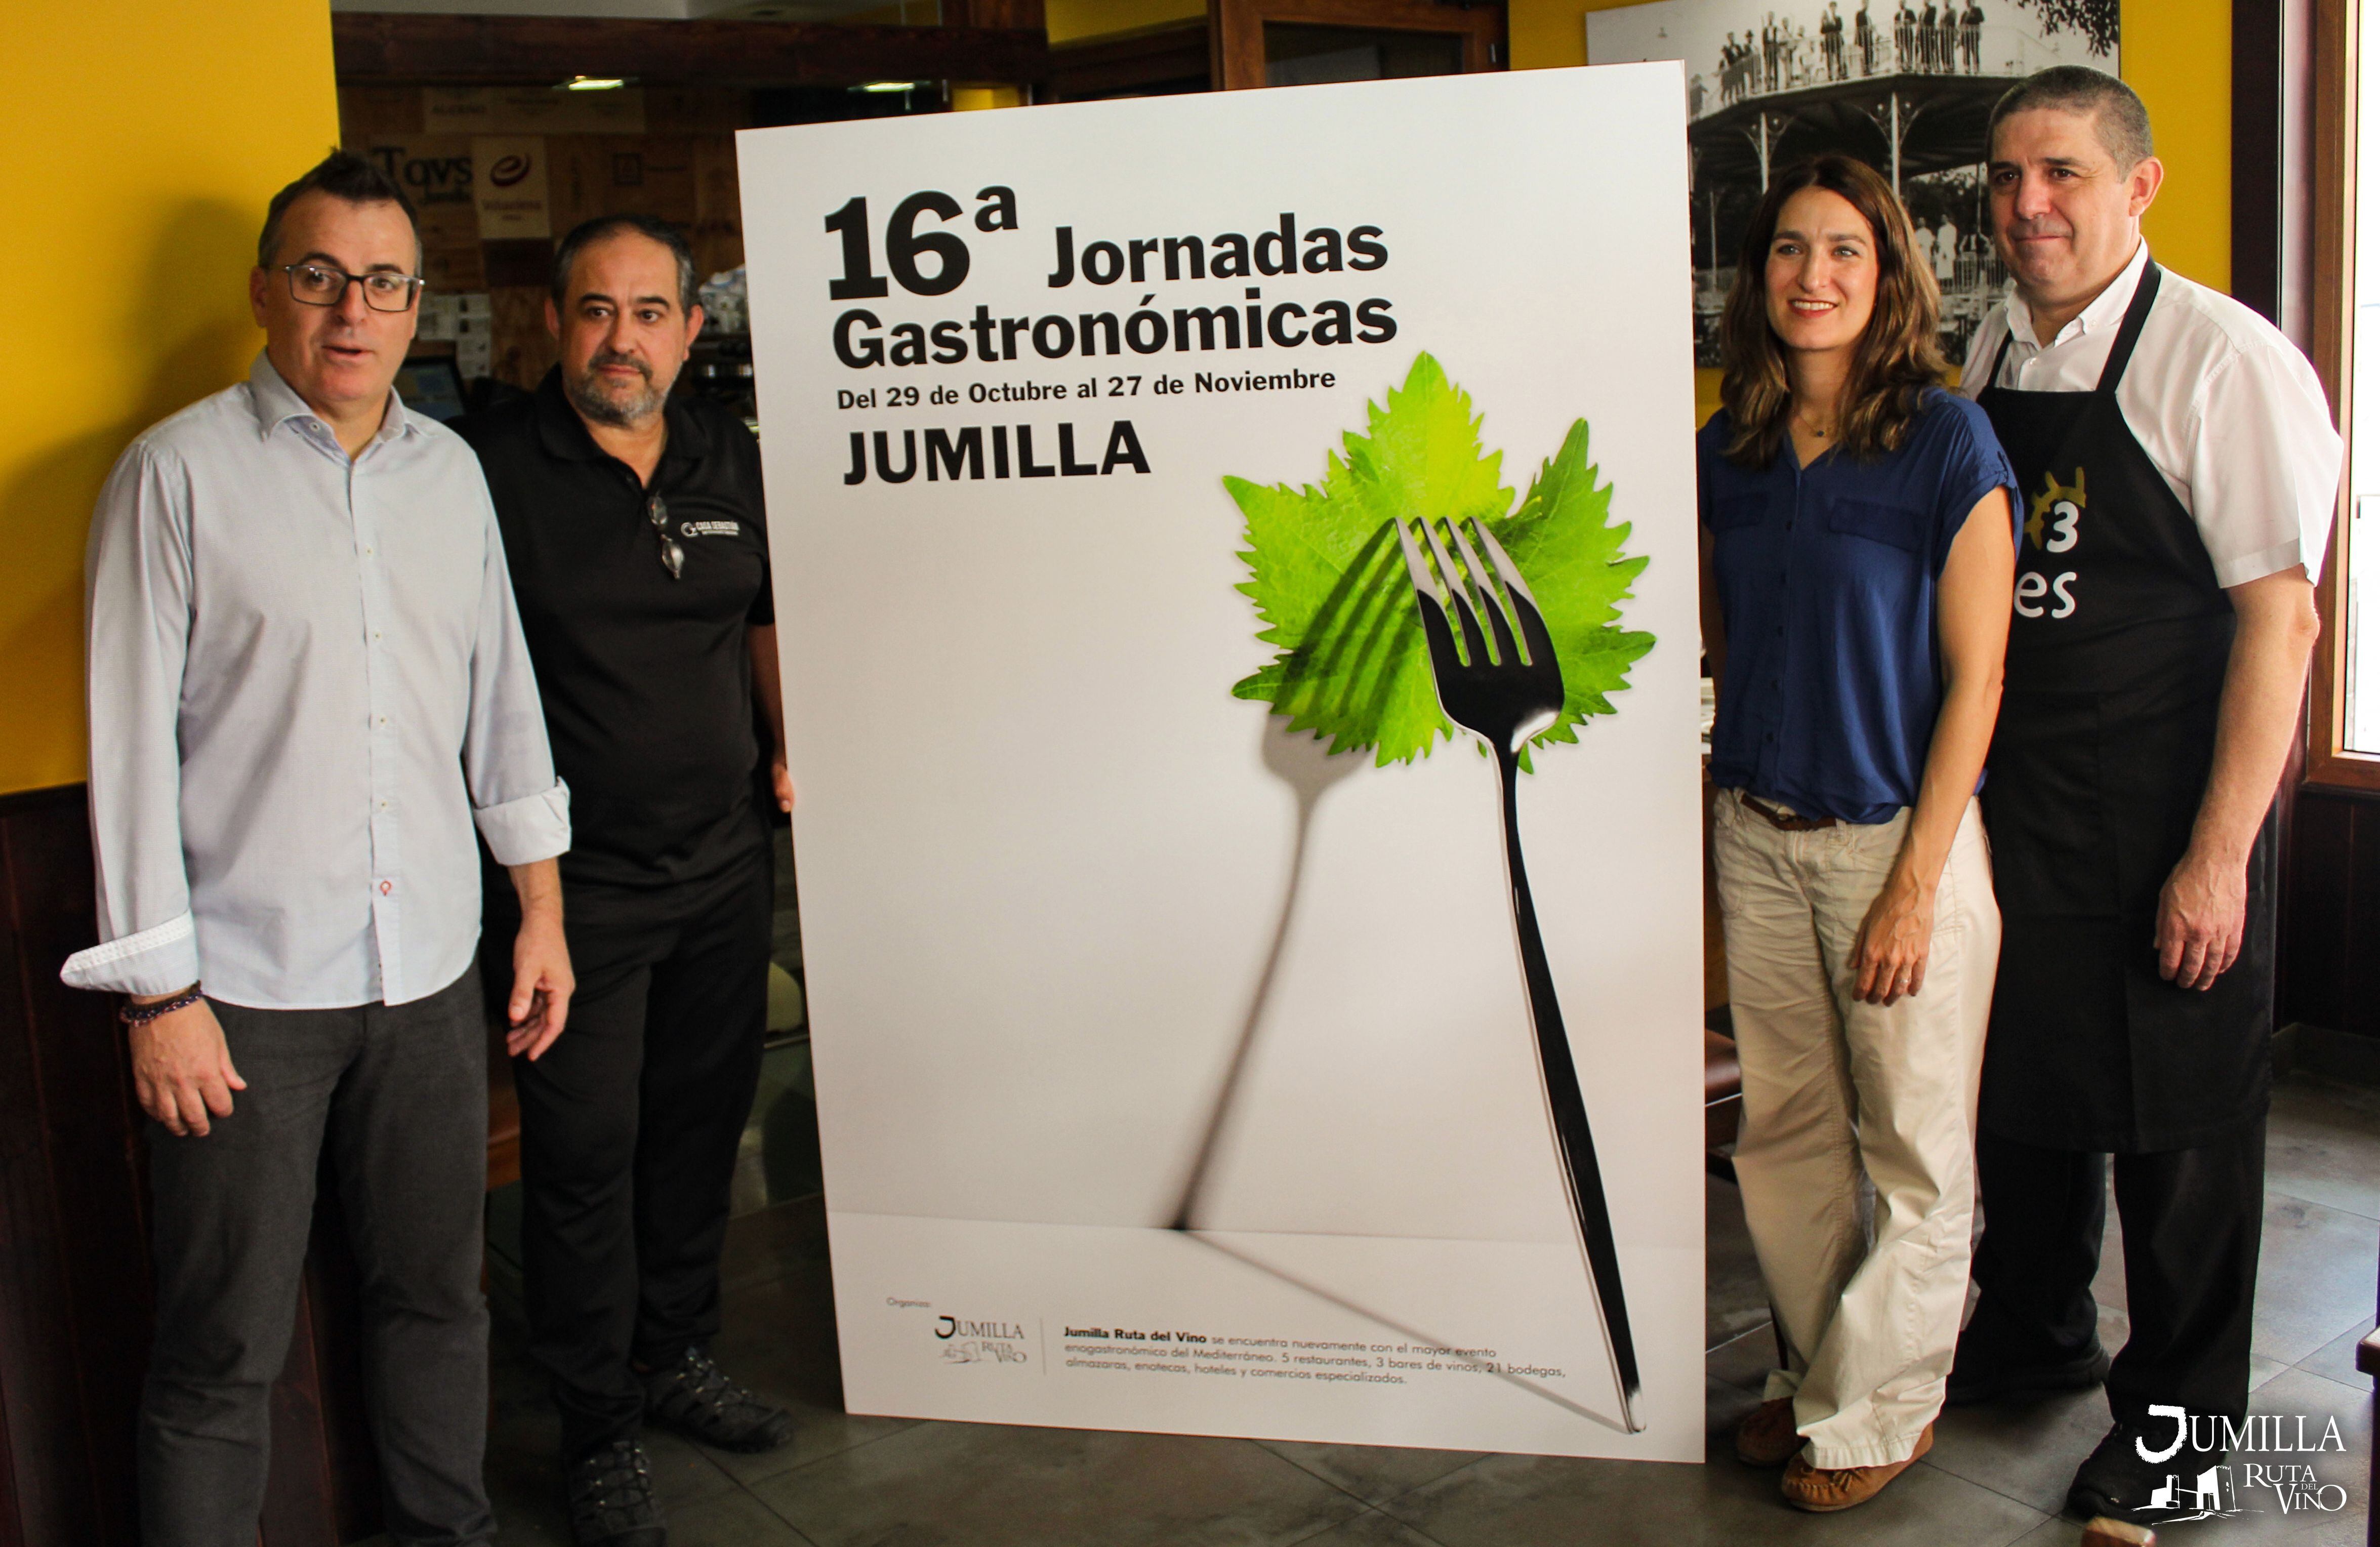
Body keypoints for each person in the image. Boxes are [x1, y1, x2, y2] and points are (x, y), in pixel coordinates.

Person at [61, 150, 573, 1547]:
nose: (353, 310)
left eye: (384, 283)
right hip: (243, 1004)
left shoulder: (452, 478)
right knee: (221, 1347)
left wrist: (539, 911)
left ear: (419, 310)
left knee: (439, 1305)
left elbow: (502, 702)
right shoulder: (173, 478)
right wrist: (159, 1002)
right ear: (266, 296)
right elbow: (128, 756)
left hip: (425, 981)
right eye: (320, 276)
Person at [1950, 67, 2341, 1518]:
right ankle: (2034, 1335)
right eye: (2005, 176)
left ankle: (2185, 1428)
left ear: (2139, 185)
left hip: (2169, 809)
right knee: (2027, 1107)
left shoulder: (2224, 365)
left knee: (2179, 1143)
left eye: (2059, 173)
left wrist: (2218, 857)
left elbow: (2282, 623)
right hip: (2026, 809)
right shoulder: (1990, 350)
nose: (2028, 204)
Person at [458, 214, 793, 1547]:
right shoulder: (488, 472)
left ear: (689, 329)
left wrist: (789, 746)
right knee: (585, 1158)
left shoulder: (728, 455)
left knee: (701, 1125)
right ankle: (595, 1421)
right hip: (571, 891)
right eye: (596, 311)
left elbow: (761, 618)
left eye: (648, 312)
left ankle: (675, 1355)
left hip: (723, 864)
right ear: (553, 323)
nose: (622, 339)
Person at [1700, 153, 2018, 1514]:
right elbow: (1726, 640)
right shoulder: (1733, 447)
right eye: (1787, 249)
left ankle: (1884, 1406)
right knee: (1785, 1135)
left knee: (1913, 1145)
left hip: (1897, 842)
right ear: (1756, 273)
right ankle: (1816, 1378)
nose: (1811, 276)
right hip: (1758, 833)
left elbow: (1981, 677)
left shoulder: (1946, 442)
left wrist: (1916, 884)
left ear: (1888, 272)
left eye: (1844, 250)